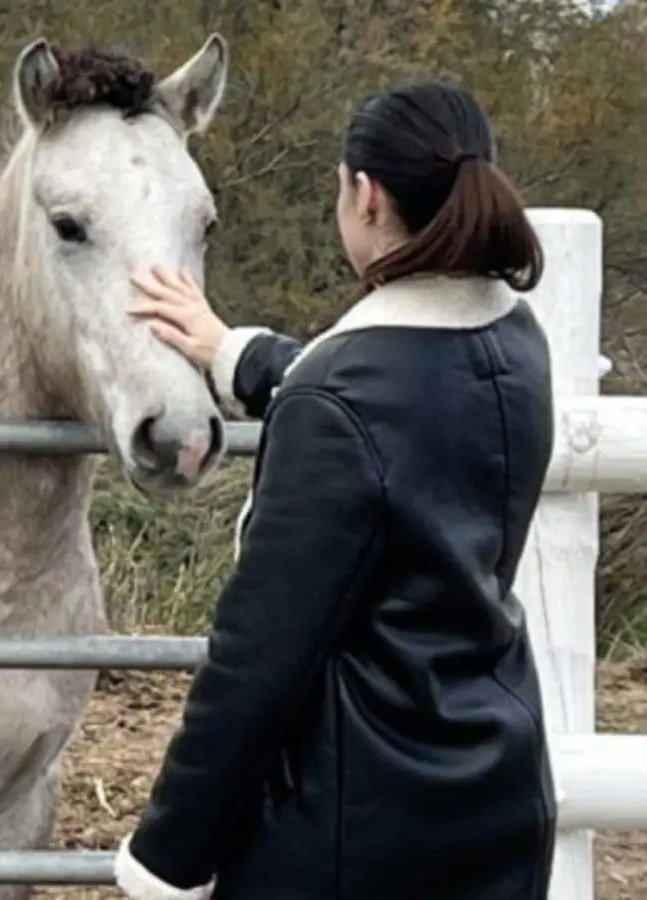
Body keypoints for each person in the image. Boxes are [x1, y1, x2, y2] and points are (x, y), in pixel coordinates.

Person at [112, 80, 557, 900]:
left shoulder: (339, 402)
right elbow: (399, 417)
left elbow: (259, 662)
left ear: (368, 195)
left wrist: (166, 858)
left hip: (348, 836)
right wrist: (234, 350)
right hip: (495, 803)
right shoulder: (514, 341)